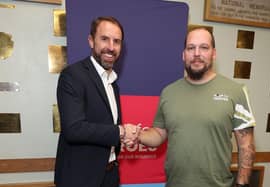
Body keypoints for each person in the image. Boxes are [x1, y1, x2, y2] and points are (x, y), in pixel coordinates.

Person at [135, 27, 256, 187]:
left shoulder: (236, 91)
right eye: (191, 48)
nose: (197, 53)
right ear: (183, 54)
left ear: (213, 53)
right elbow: (159, 134)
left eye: (204, 47)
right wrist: (136, 135)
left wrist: (242, 184)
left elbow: (246, 145)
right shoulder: (169, 92)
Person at [54, 16, 137, 187]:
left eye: (117, 41)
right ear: (91, 41)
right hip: (81, 179)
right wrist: (120, 132)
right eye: (104, 39)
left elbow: (105, 125)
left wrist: (123, 138)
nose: (111, 47)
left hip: (110, 175)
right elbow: (73, 129)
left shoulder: (113, 83)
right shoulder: (73, 75)